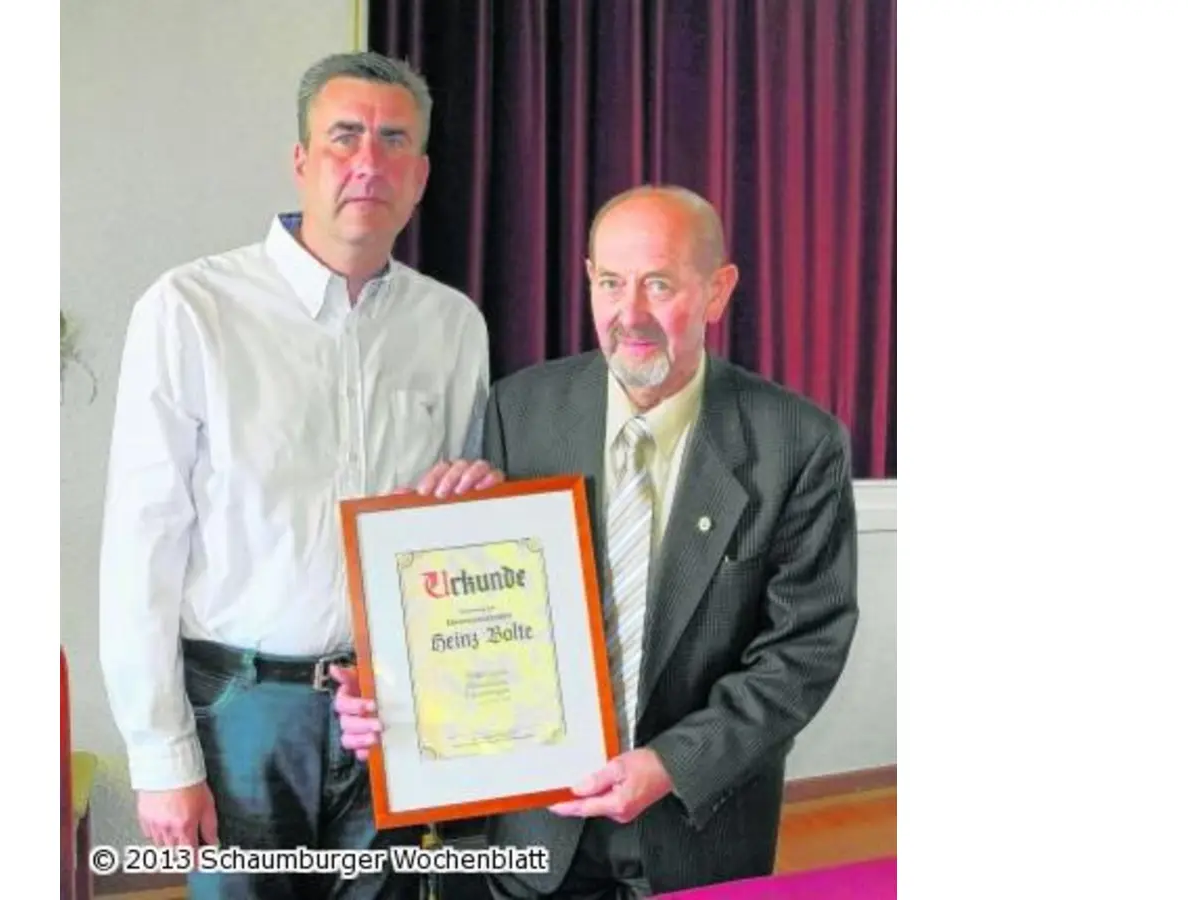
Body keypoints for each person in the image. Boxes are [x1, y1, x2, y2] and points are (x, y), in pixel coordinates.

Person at [332, 185, 859, 898]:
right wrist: (399, 682)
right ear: (587, 279)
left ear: (717, 290)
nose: (630, 315)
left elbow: (805, 649)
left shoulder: (796, 441)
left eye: (660, 284)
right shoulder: (522, 409)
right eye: (610, 283)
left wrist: (672, 763)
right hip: (540, 827)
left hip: (699, 824)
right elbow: (483, 613)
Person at [97, 51, 502, 900]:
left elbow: (457, 528)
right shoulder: (190, 310)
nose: (368, 161)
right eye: (344, 135)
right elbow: (142, 546)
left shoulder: (453, 325)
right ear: (300, 160)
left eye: (395, 141)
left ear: (421, 175)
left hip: (387, 707)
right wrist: (161, 753)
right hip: (241, 708)